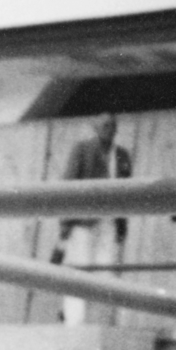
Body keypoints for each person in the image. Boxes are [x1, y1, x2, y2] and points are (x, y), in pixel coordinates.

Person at [50, 113, 131, 325]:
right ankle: (73, 322)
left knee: (106, 273)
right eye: (104, 125)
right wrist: (66, 224)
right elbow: (68, 185)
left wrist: (122, 226)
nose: (109, 130)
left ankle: (101, 322)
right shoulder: (82, 150)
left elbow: (128, 194)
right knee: (79, 271)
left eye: (112, 126)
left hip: (109, 223)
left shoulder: (122, 155)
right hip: (83, 223)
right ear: (95, 128)